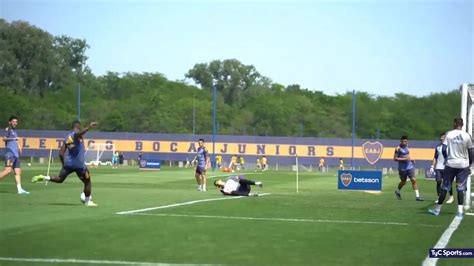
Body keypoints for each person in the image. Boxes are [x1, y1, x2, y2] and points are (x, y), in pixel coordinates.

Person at [31, 121, 99, 207]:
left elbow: (61, 153)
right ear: (78, 126)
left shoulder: (67, 138)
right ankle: (87, 201)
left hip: (69, 164)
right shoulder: (76, 134)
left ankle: (45, 177)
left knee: (60, 179)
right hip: (79, 165)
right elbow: (79, 133)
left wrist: (64, 164)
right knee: (88, 182)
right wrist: (89, 127)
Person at [430, 118, 473, 218]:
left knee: (445, 187)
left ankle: (437, 210)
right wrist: (470, 164)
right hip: (463, 165)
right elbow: (471, 151)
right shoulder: (467, 136)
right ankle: (460, 212)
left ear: (454, 124)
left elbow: (444, 149)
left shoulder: (449, 134)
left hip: (451, 164)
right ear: (462, 125)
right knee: (460, 188)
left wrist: (447, 158)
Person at [0, 116, 30, 194]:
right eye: (13, 121)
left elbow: (15, 141)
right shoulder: (8, 129)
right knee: (8, 170)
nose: (15, 123)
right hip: (10, 153)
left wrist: (19, 146)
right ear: (10, 122)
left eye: (16, 122)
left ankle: (19, 190)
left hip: (15, 154)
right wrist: (13, 139)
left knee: (18, 171)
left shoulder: (14, 131)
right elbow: (4, 139)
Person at [394, 135, 423, 201]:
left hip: (410, 167)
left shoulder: (407, 146)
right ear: (400, 141)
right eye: (403, 141)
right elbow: (395, 159)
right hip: (402, 168)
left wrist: (411, 160)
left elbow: (407, 157)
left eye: (405, 141)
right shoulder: (397, 148)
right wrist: (403, 159)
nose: (404, 142)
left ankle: (417, 196)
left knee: (413, 180)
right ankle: (397, 191)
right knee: (403, 182)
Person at [430, 133, 453, 203]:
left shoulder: (448, 146)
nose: (441, 138)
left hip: (446, 167)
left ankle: (451, 197)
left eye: (443, 137)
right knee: (438, 182)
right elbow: (435, 157)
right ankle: (439, 197)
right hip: (438, 167)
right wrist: (432, 166)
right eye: (441, 137)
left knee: (447, 182)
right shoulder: (438, 147)